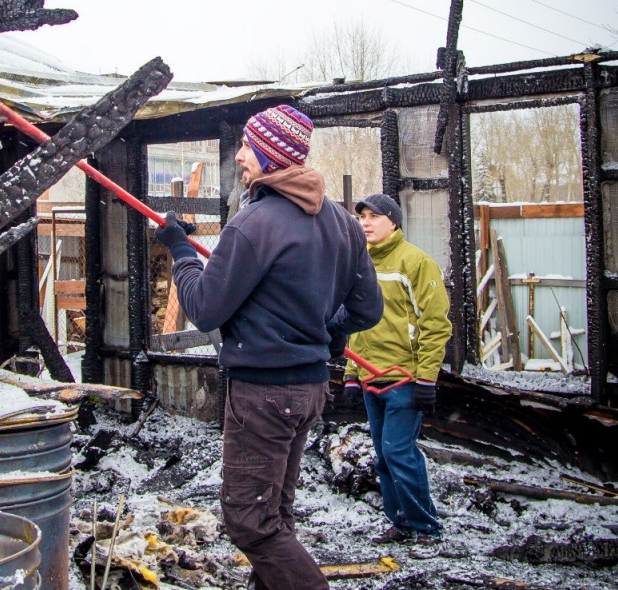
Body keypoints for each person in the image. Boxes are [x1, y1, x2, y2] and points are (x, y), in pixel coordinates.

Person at [154, 104, 383, 590]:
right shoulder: (343, 224)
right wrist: (328, 332)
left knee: (250, 522)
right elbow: (367, 310)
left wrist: (179, 249)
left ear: (272, 154)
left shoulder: (253, 224)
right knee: (274, 513)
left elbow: (205, 308)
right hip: (310, 391)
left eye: (247, 145)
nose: (239, 155)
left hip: (263, 395)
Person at [343, 193, 452, 546]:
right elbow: (355, 323)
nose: (366, 223)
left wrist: (427, 379)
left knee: (398, 452)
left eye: (374, 216)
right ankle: (401, 522)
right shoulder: (359, 264)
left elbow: (435, 325)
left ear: (393, 222)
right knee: (383, 457)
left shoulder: (416, 263)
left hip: (403, 379)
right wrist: (350, 374)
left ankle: (426, 528)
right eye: (362, 217)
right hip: (369, 376)